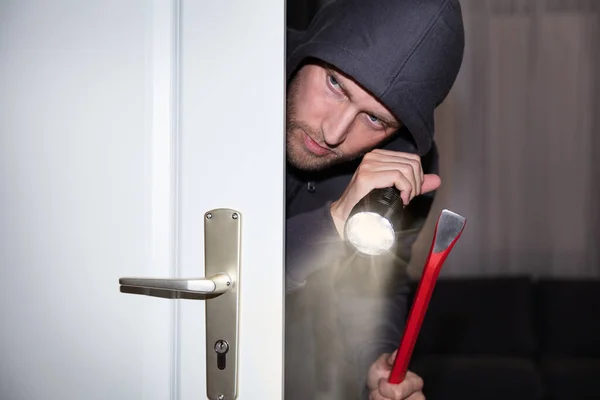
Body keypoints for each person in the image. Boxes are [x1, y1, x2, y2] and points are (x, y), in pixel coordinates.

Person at [284, 0, 465, 399]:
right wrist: (333, 219)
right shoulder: (228, 89)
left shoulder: (406, 170)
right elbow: (220, 276)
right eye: (335, 84)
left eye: (375, 119)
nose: (333, 132)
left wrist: (376, 361)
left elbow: (377, 284)